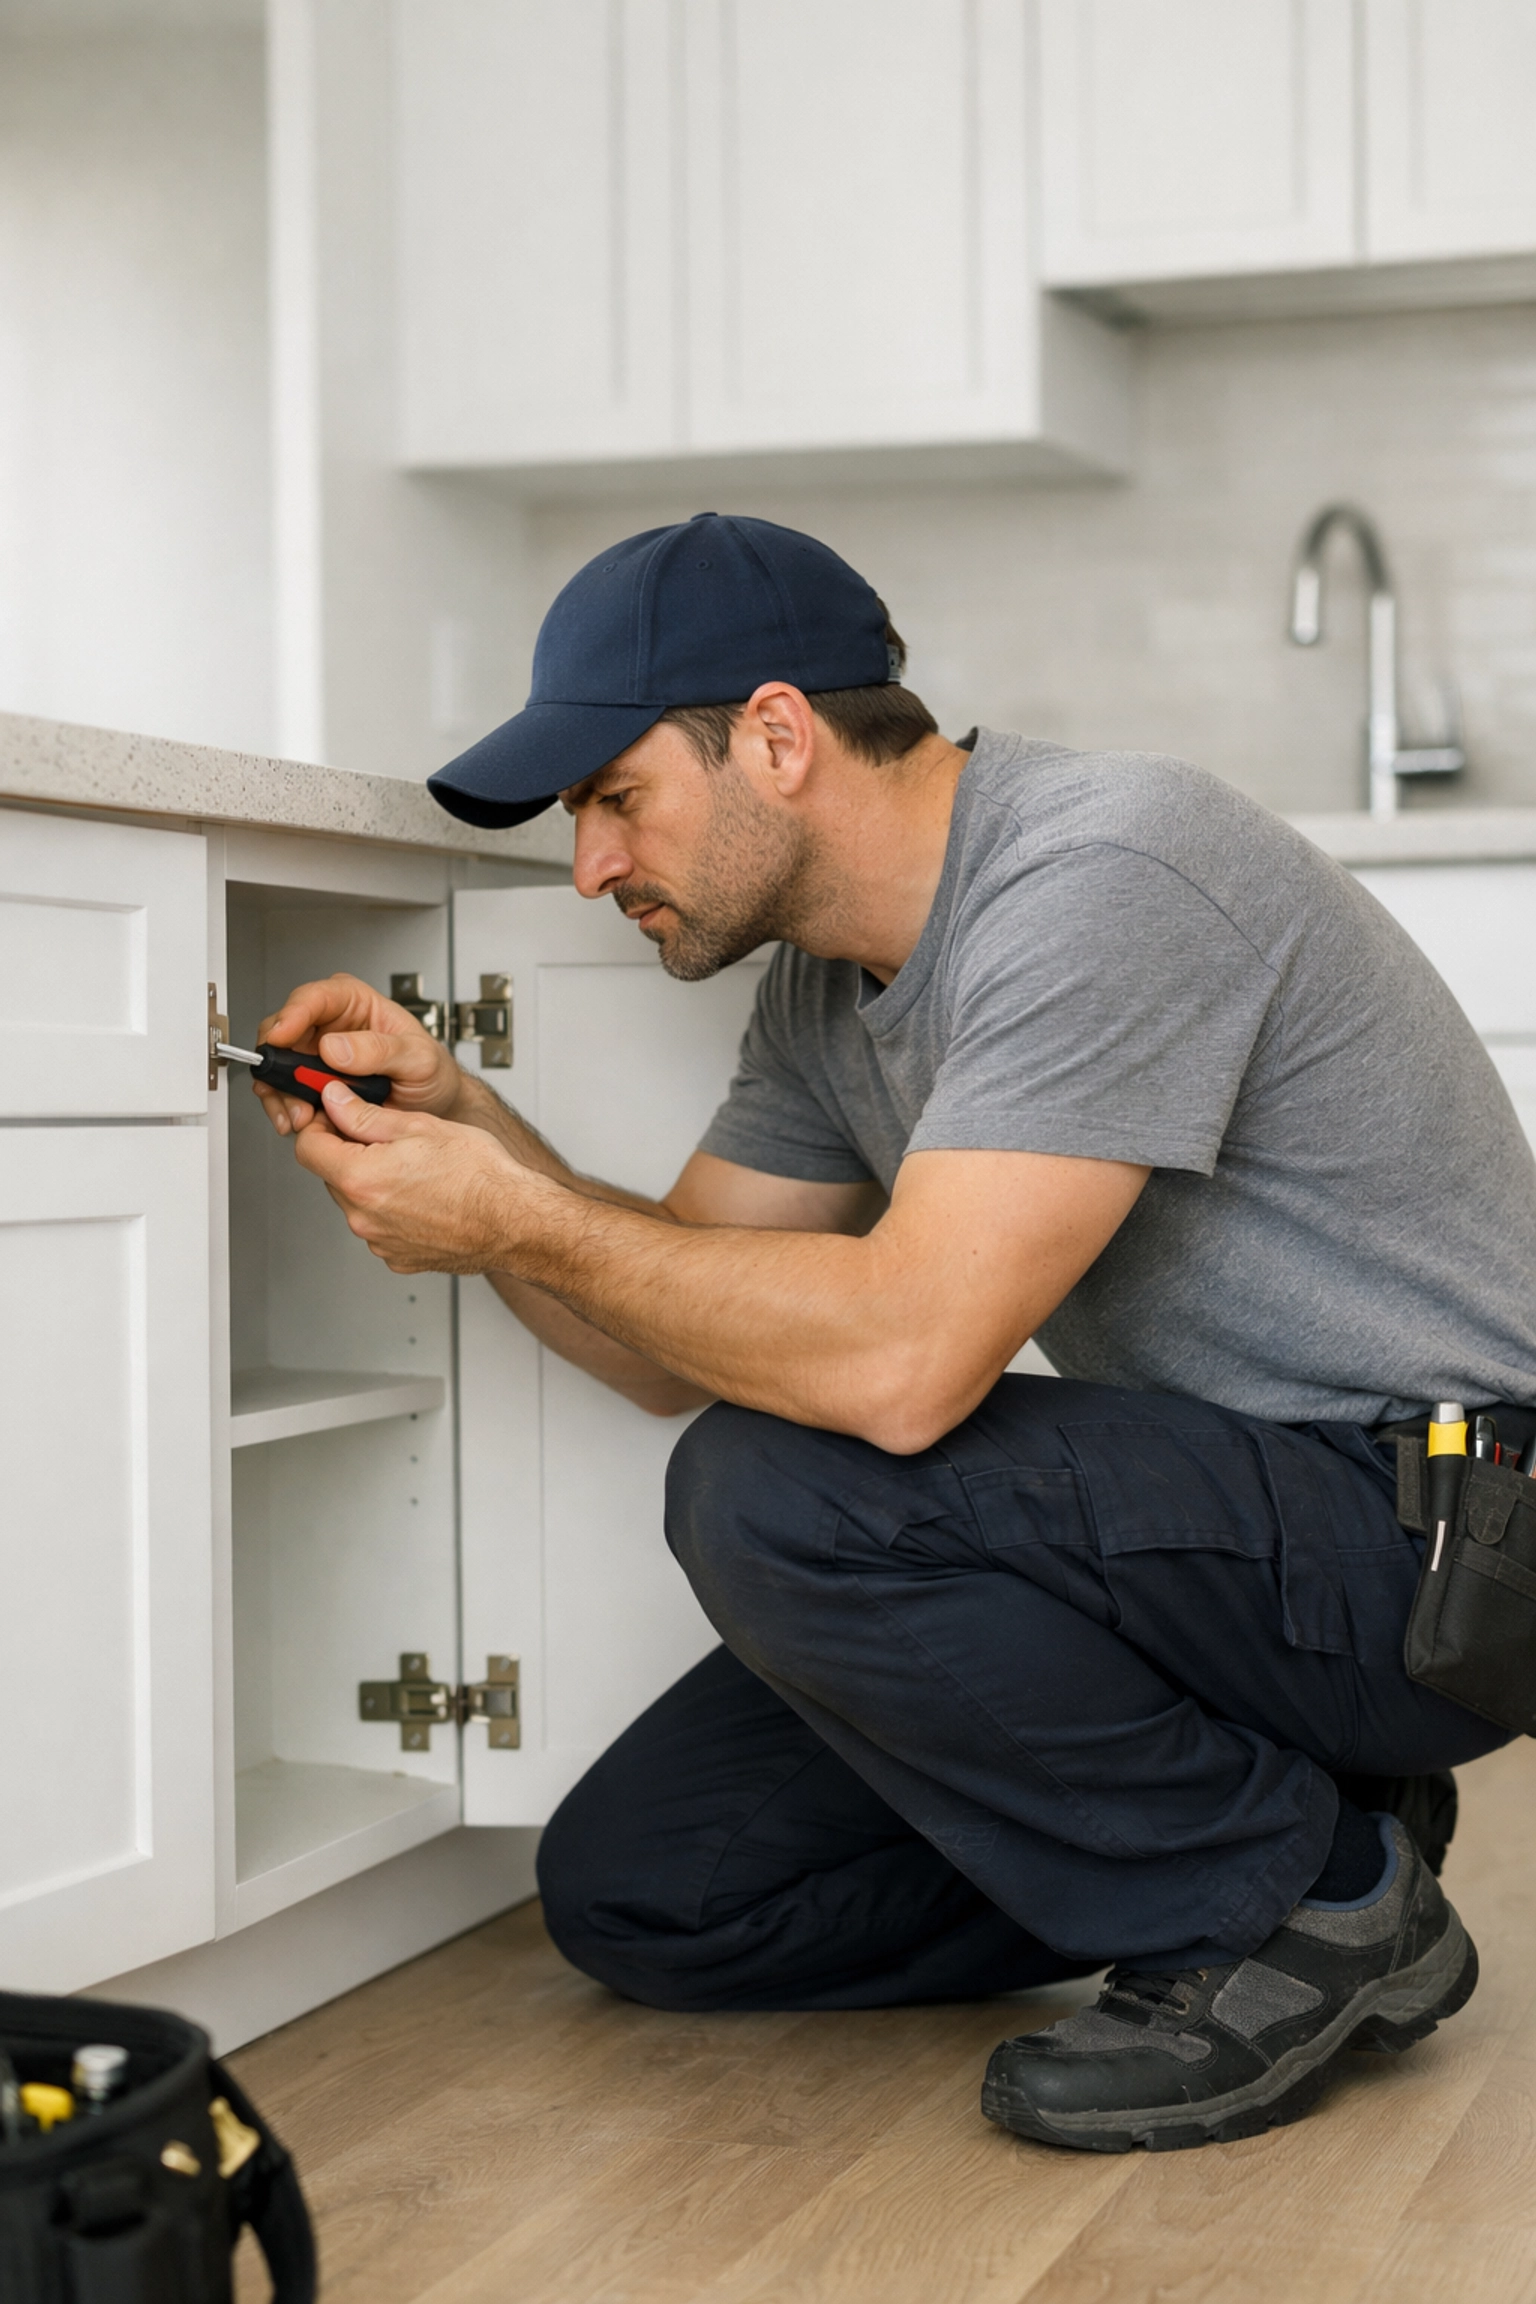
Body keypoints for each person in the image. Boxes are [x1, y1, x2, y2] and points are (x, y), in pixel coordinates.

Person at [253, 513, 1536, 2154]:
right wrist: (468, 1126)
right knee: (654, 1893)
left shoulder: (1109, 872)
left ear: (778, 737)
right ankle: (1289, 1809)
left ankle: (1310, 1899)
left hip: (1443, 1550)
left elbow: (904, 1368)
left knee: (779, 1485)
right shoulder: (822, 993)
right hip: (1244, 1560)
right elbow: (666, 1334)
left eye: (614, 798)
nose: (591, 867)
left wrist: (510, 1219)